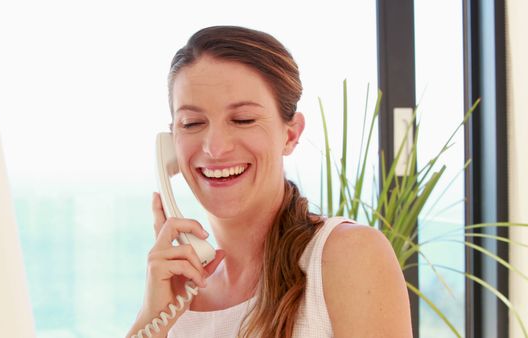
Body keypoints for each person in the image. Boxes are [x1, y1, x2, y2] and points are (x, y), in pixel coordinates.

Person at [127, 25, 412, 338]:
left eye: (243, 120)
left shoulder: (347, 256)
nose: (215, 147)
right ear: (171, 144)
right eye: (192, 123)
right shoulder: (176, 298)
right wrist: (150, 317)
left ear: (290, 135)